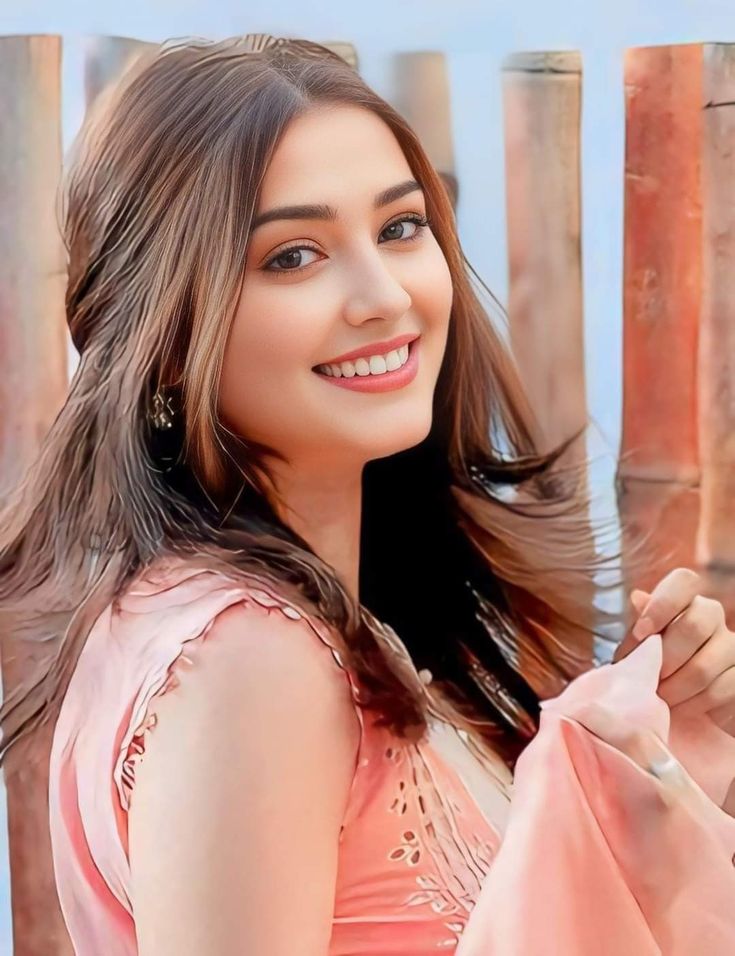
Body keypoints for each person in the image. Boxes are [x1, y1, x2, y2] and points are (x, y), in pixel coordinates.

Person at [0, 33, 733, 956]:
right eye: (293, 256)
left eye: (399, 228)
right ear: (167, 334)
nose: (383, 295)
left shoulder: (276, 624)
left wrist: (657, 765)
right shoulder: (249, 662)